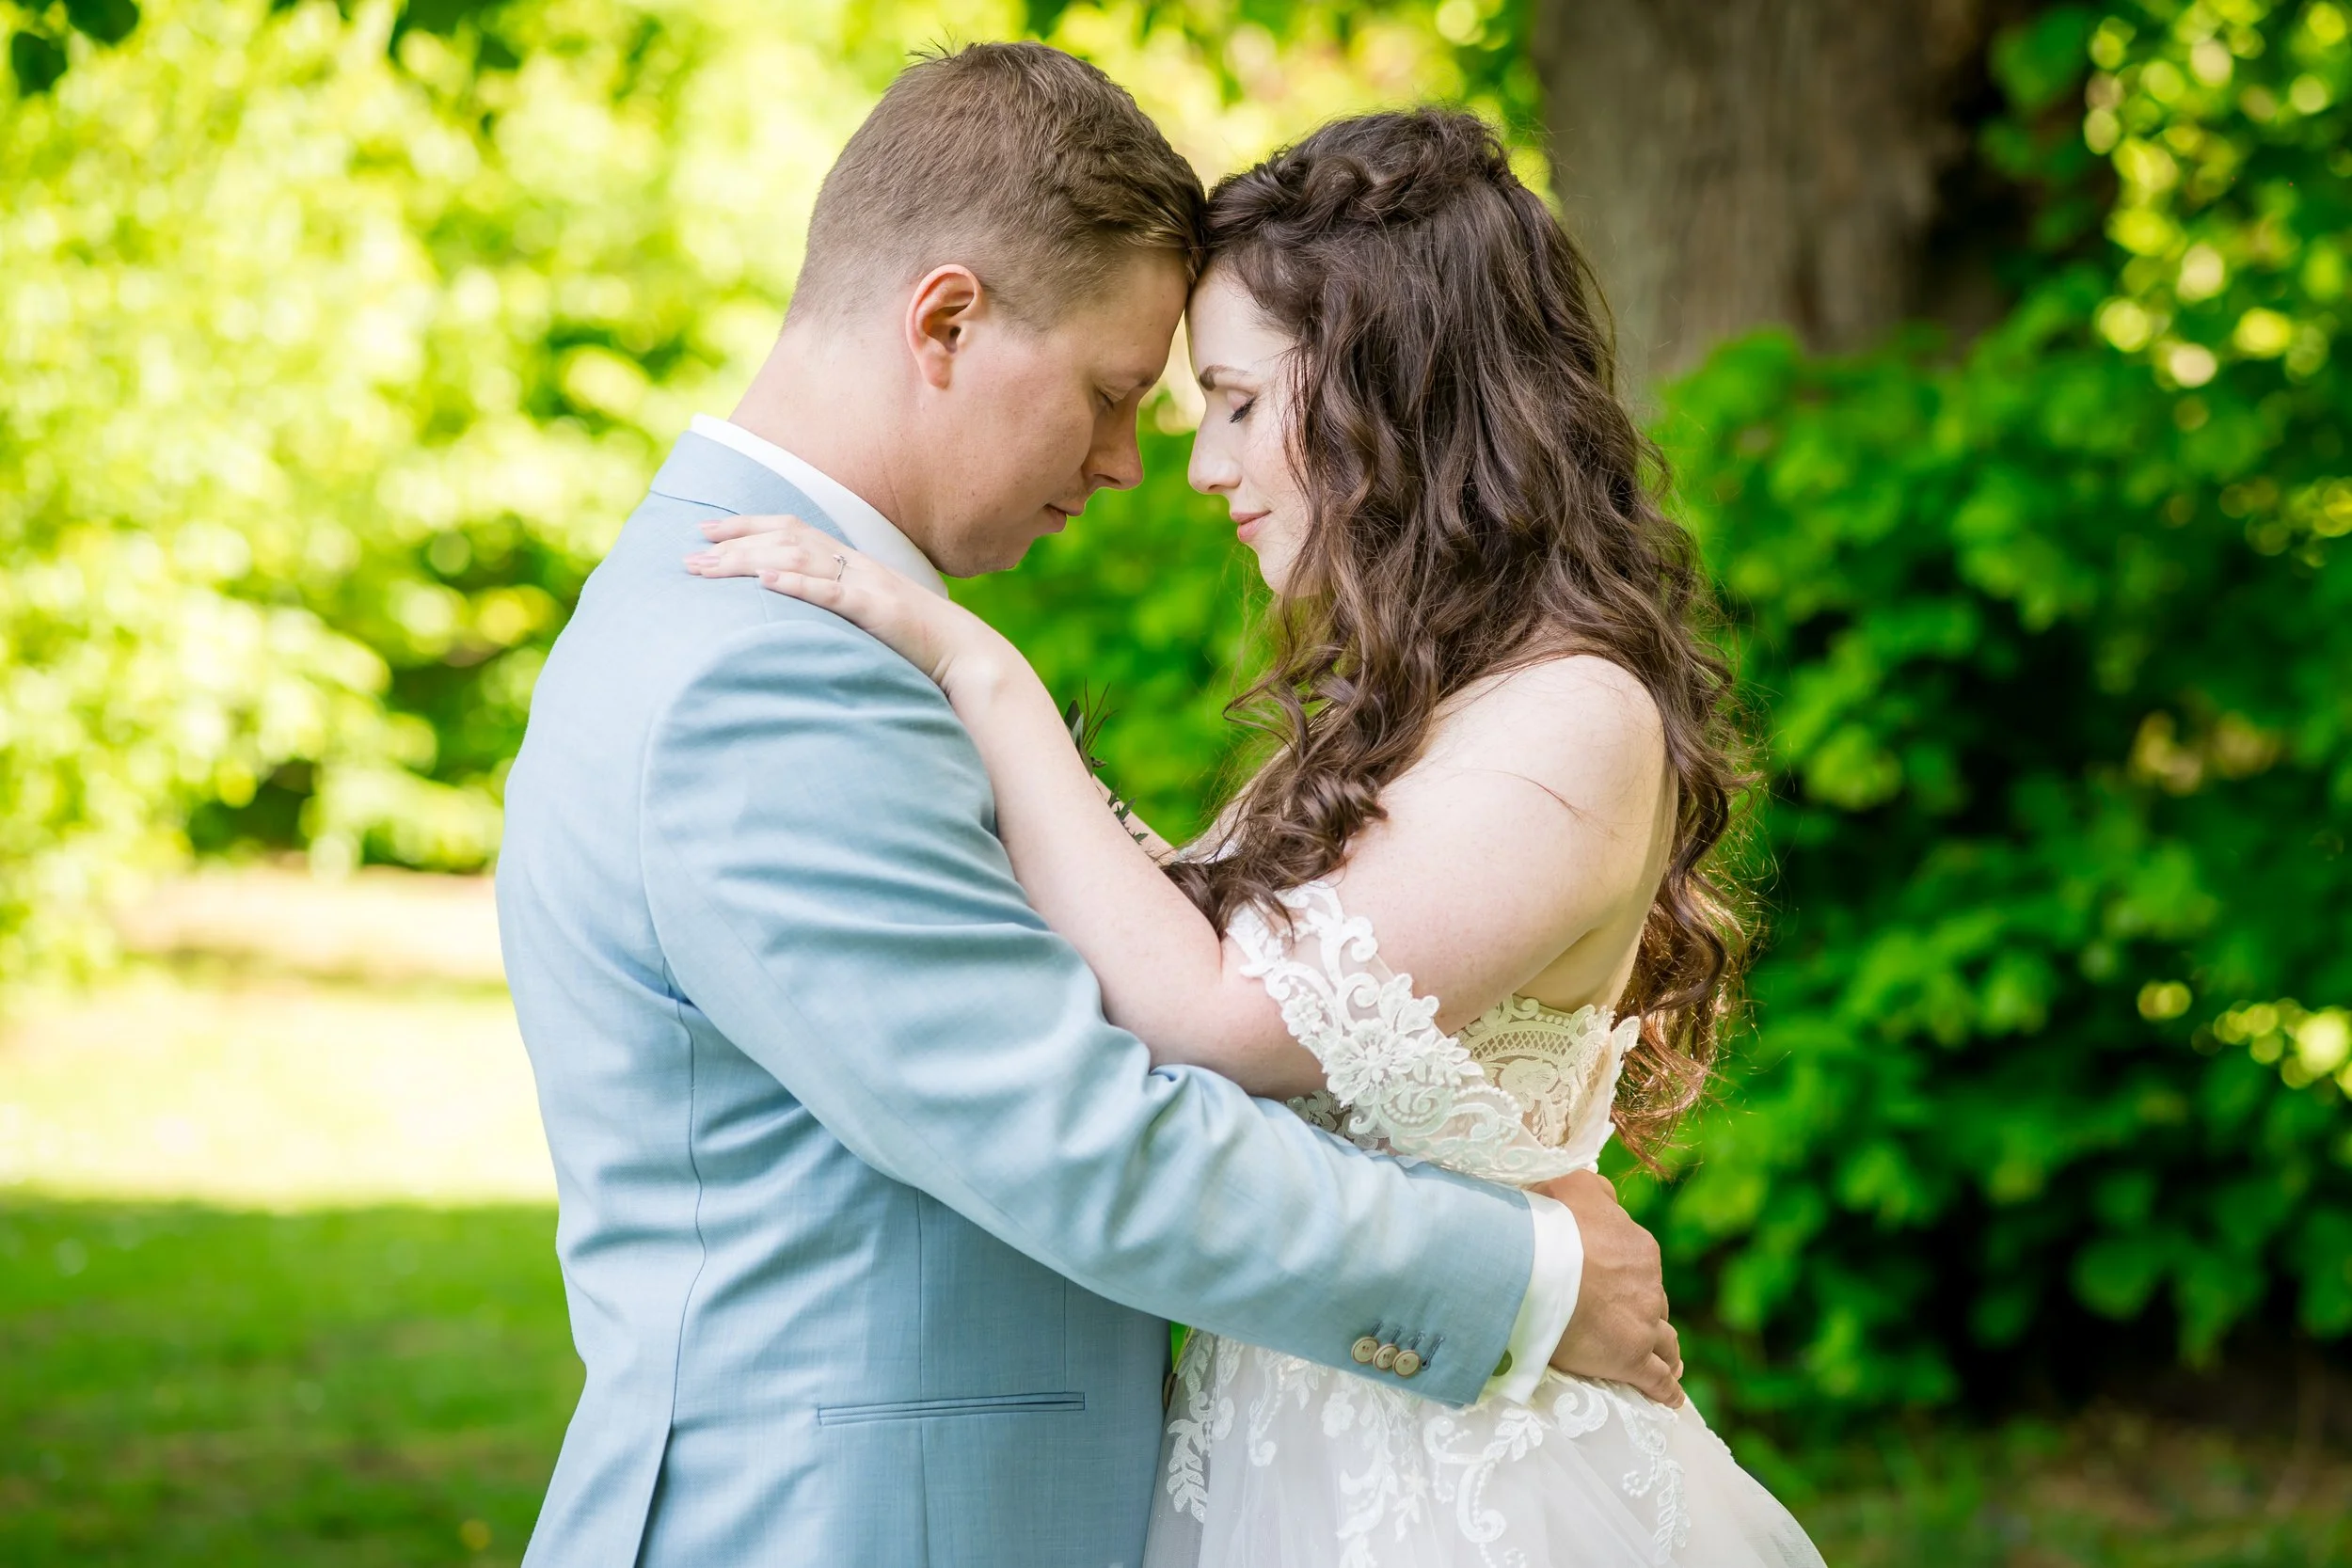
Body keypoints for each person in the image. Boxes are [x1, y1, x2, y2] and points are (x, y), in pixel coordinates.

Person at [499, 43, 1680, 1568]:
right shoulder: (766, 668)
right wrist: (1520, 1275)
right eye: (1117, 394)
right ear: (946, 319)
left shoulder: (775, 622)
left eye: (1215, 402)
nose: (1142, 464)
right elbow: (1070, 1136)